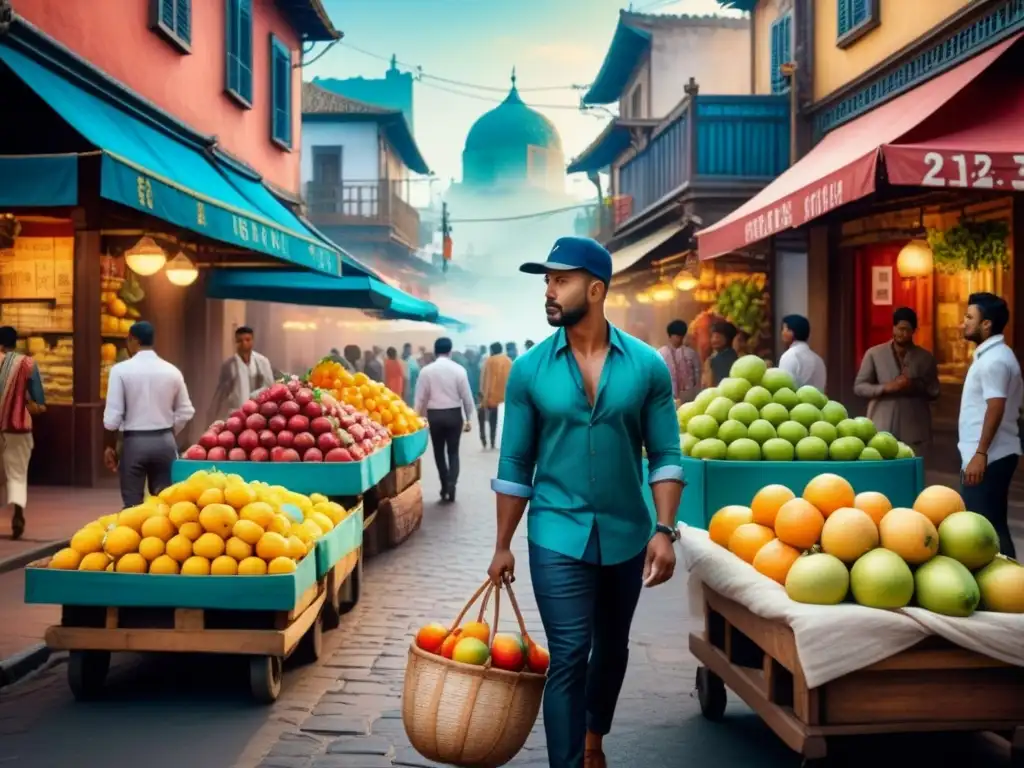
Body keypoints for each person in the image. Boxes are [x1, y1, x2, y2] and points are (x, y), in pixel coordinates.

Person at [488, 236, 683, 768]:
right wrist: (502, 545)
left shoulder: (646, 367)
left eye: (560, 280)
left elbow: (665, 453)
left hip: (626, 532)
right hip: (555, 530)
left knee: (612, 649)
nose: (548, 292)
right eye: (547, 281)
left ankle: (596, 735)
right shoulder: (528, 371)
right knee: (570, 654)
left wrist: (664, 530)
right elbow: (514, 464)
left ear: (595, 289)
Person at [103, 322, 195, 507]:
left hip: (134, 443)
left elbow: (112, 418)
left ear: (133, 340)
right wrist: (168, 431)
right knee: (165, 504)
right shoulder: (172, 371)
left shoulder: (120, 371)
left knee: (132, 506)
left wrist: (110, 446)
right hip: (165, 442)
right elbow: (186, 411)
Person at [958, 293, 1022, 559]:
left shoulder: (995, 360)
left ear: (987, 324)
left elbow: (996, 406)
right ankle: (1011, 586)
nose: (963, 323)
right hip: (986, 455)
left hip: (989, 457)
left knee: (985, 530)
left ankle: (1009, 588)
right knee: (992, 526)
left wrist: (980, 454)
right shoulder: (993, 355)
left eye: (969, 317)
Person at [854, 307, 940, 459]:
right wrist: (886, 387)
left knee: (912, 469)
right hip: (881, 424)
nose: (903, 334)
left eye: (908, 330)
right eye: (900, 329)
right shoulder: (874, 354)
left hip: (915, 428)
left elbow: (934, 391)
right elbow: (860, 387)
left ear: (914, 331)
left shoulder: (925, 357)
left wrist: (913, 385)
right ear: (893, 327)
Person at [415, 337, 475, 503]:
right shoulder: (459, 370)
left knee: (439, 452)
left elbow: (419, 398)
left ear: (435, 351)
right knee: (453, 452)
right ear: (450, 350)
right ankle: (452, 484)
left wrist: (416, 418)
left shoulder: (426, 371)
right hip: (454, 415)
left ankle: (443, 484)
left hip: (435, 415)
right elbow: (467, 397)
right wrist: (468, 417)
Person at [0, 326, 45, 540]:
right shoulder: (28, 364)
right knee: (17, 475)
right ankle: (17, 516)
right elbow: (39, 400)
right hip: (18, 428)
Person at [208, 326, 274, 422]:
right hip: (235, 415)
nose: (244, 344)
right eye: (240, 341)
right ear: (235, 342)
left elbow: (269, 386)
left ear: (252, 340)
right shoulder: (228, 365)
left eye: (247, 340)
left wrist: (255, 396)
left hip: (258, 415)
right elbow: (220, 394)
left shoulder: (262, 362)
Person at [778, 314, 827, 391]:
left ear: (791, 332)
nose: (781, 333)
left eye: (784, 329)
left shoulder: (790, 356)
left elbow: (784, 388)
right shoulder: (818, 359)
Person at [658, 319, 702, 404]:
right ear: (670, 336)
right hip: (668, 396)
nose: (679, 339)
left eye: (681, 336)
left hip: (689, 397)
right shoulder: (661, 353)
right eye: (677, 336)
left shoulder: (691, 353)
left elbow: (697, 375)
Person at [479, 341, 511, 449]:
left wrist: (483, 396)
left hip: (492, 398)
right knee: (502, 422)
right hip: (506, 398)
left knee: (491, 421)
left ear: (492, 350)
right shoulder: (508, 361)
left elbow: (485, 380)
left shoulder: (489, 361)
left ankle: (490, 440)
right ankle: (497, 441)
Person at [705, 321, 738, 387]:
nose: (713, 340)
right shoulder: (734, 354)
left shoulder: (714, 360)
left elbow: (710, 384)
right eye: (712, 337)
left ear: (728, 339)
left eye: (717, 337)